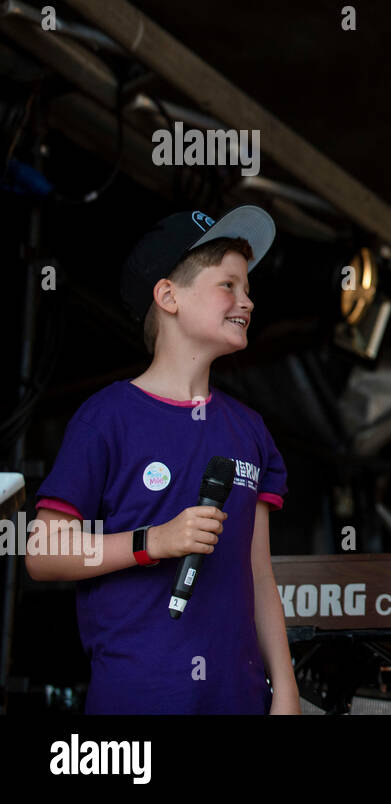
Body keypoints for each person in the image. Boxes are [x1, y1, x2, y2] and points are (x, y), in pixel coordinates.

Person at [26, 205, 299, 714]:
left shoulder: (251, 431)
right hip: (139, 700)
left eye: (248, 288)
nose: (247, 301)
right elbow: (42, 554)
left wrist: (285, 691)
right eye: (229, 285)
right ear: (168, 295)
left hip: (237, 700)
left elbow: (258, 573)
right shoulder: (107, 417)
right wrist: (153, 542)